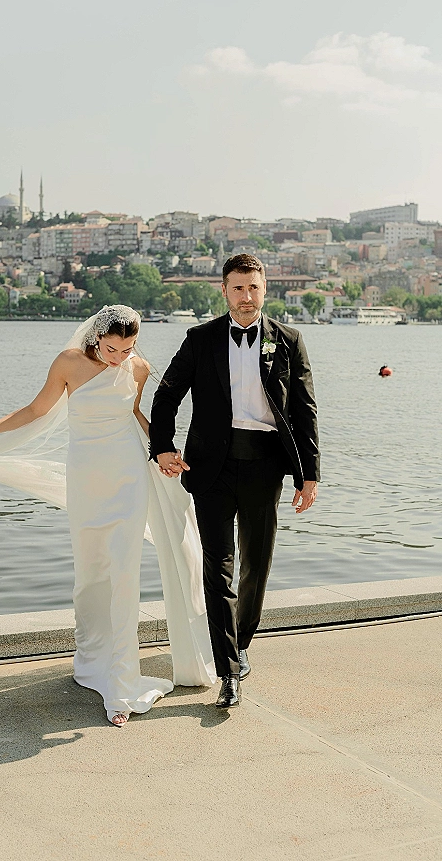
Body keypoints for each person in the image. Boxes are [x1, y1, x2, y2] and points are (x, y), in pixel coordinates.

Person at [0, 305, 215, 728]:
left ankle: (122, 682)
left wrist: (165, 450)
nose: (119, 357)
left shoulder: (137, 368)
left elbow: (135, 417)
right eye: (113, 348)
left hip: (128, 476)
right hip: (87, 477)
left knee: (124, 576)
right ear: (97, 337)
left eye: (128, 348)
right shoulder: (68, 363)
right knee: (91, 574)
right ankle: (93, 662)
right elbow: (37, 410)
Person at [149, 254, 320, 709]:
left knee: (256, 566)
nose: (247, 297)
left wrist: (310, 474)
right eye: (238, 288)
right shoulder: (200, 339)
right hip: (211, 470)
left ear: (266, 291)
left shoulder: (289, 340)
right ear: (223, 291)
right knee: (217, 566)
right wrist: (162, 446)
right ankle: (227, 671)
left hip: (266, 468)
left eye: (254, 288)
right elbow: (166, 395)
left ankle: (240, 644)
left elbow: (304, 411)